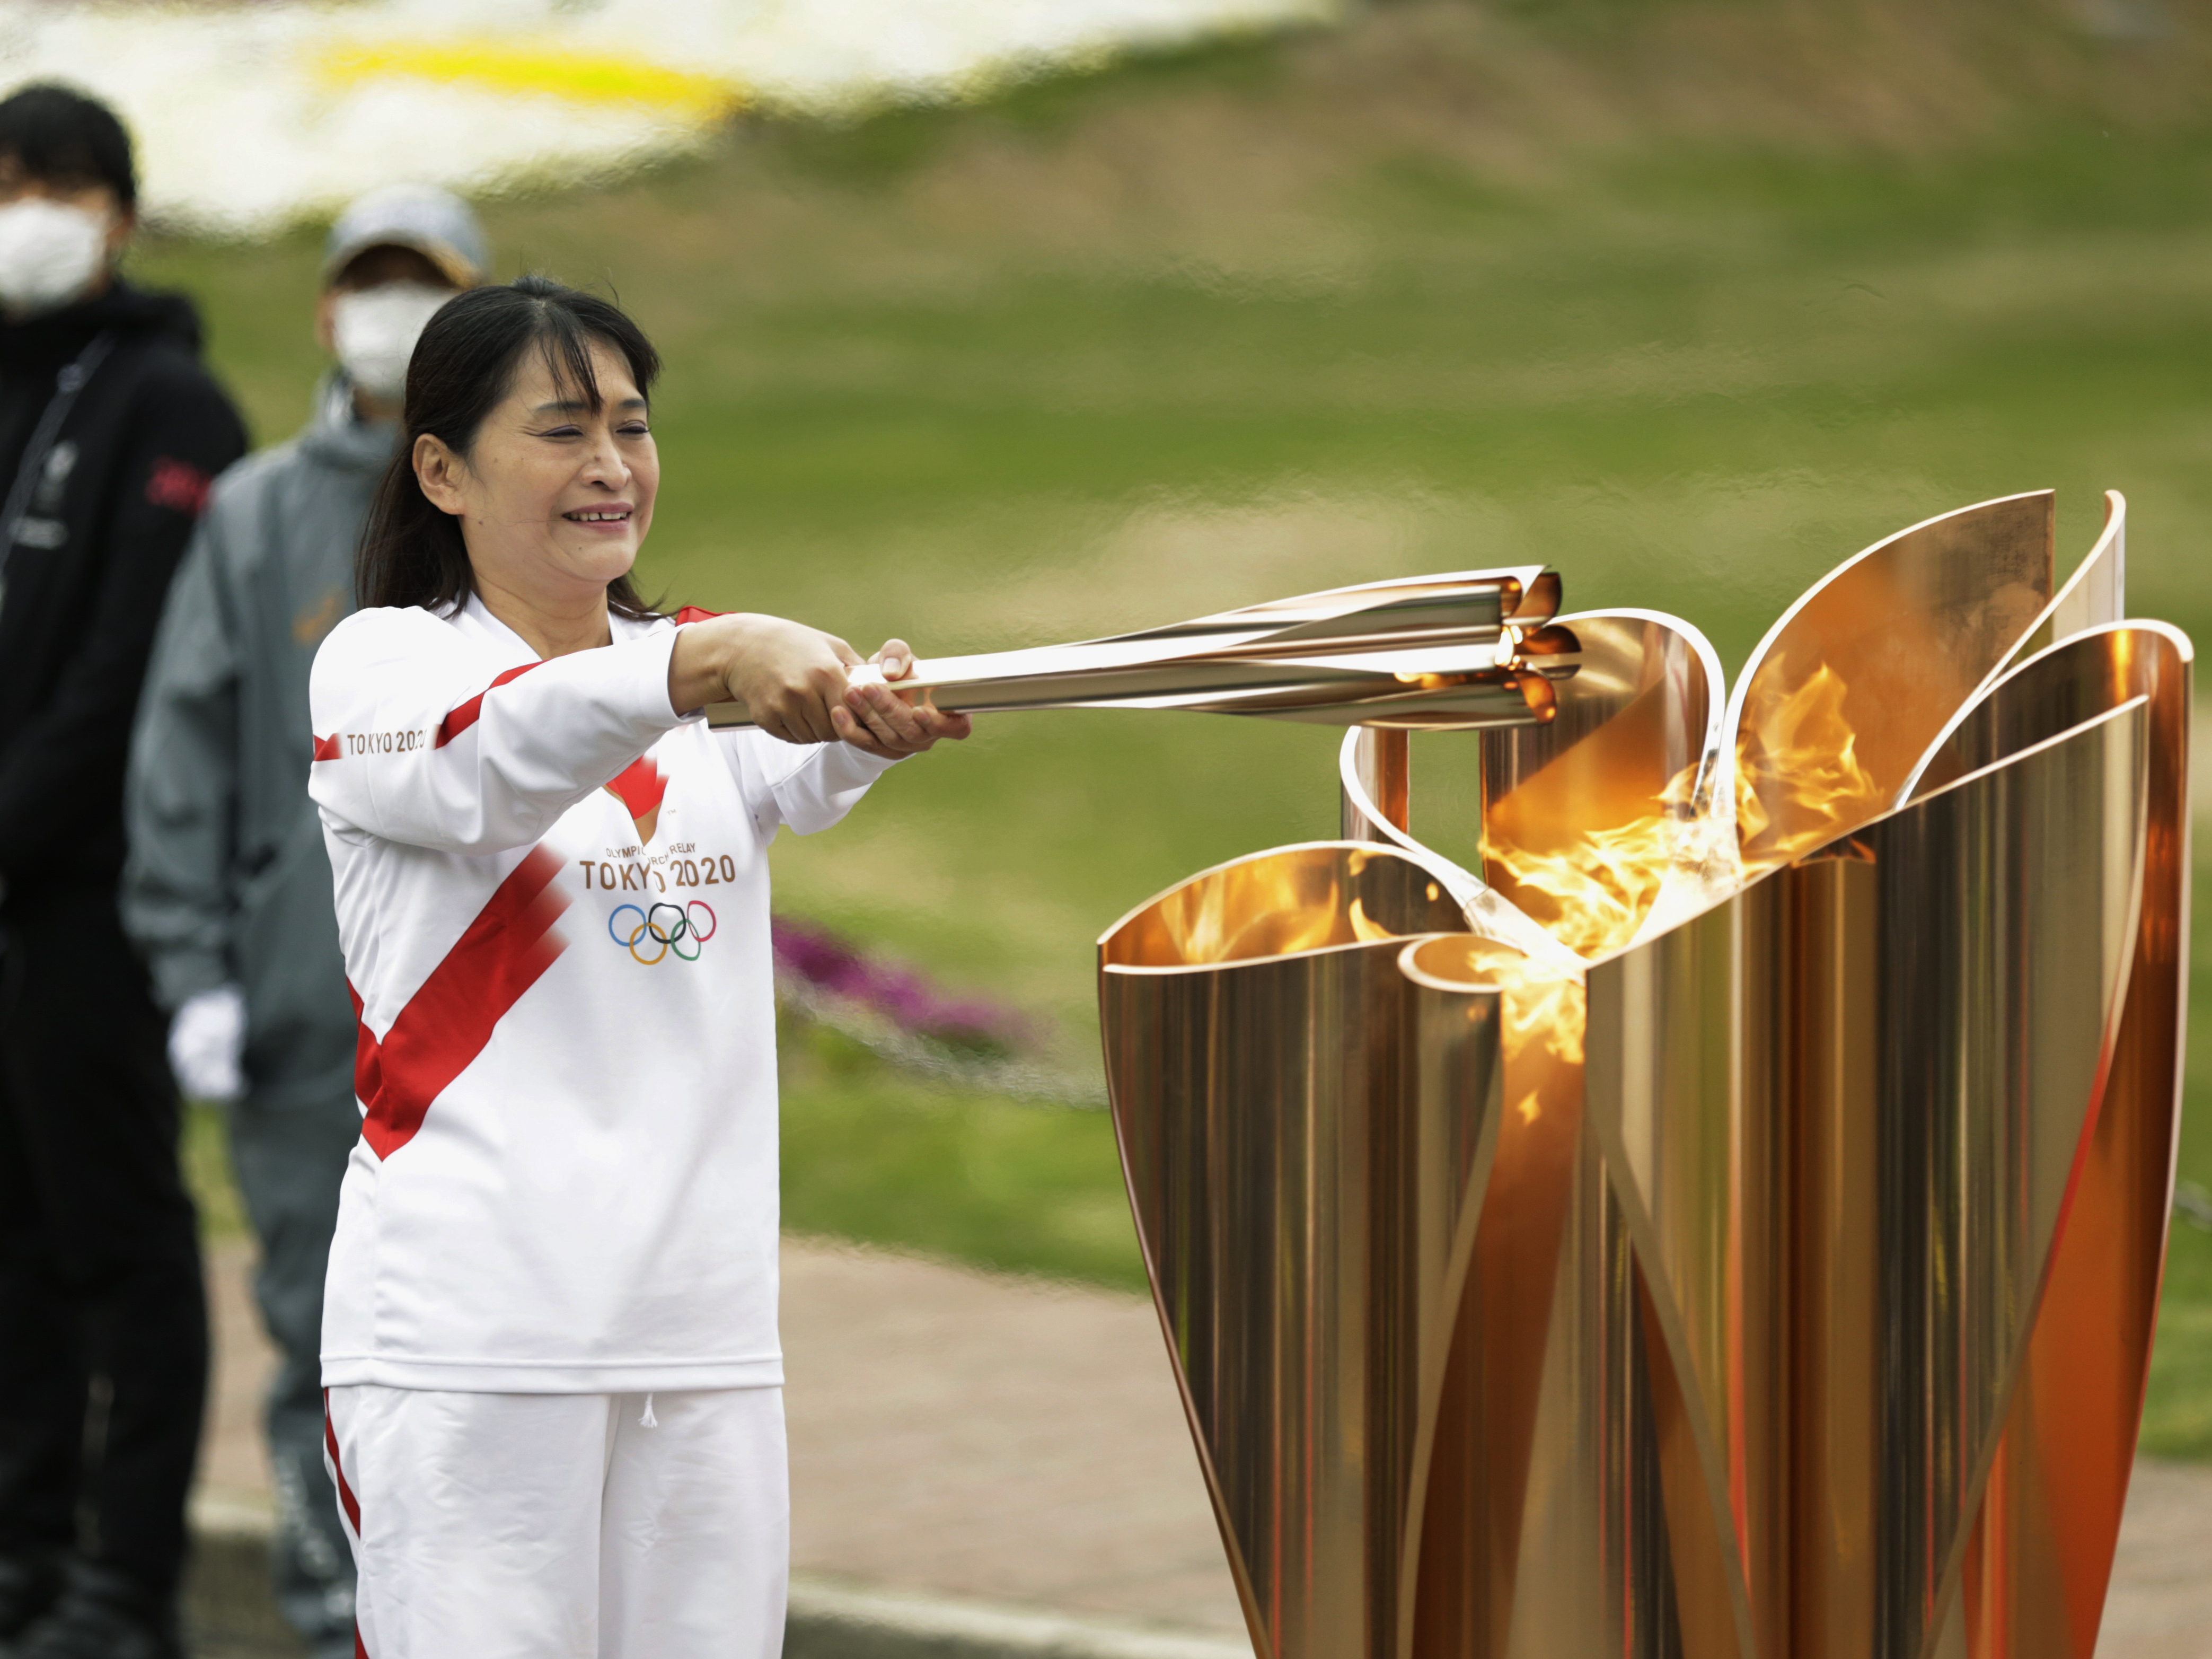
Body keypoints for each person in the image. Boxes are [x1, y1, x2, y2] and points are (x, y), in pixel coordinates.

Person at [310, 274, 968, 1657]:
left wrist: (870, 717)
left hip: (699, 1337)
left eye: (631, 424)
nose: (611, 464)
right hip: (473, 1340)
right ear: (441, 470)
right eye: (562, 430)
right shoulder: (384, 671)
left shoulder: (687, 682)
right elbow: (487, 764)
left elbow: (796, 762)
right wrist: (706, 660)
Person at [121, 185, 488, 1659]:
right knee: (322, 1327)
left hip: (481, 1002)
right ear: (330, 312)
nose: (393, 315)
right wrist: (194, 968)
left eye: (426, 286)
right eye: (372, 285)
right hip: (299, 1002)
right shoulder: (259, 511)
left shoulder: (511, 501)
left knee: (474, 1334)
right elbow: (185, 742)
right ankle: (336, 1617)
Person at [0, 84, 248, 1658]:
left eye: (56, 186)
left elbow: (124, 671)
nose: (25, 214)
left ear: (120, 215)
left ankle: (127, 1576)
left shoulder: (170, 404)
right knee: (10, 1238)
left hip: (91, 895)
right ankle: (23, 1549)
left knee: (120, 1236)